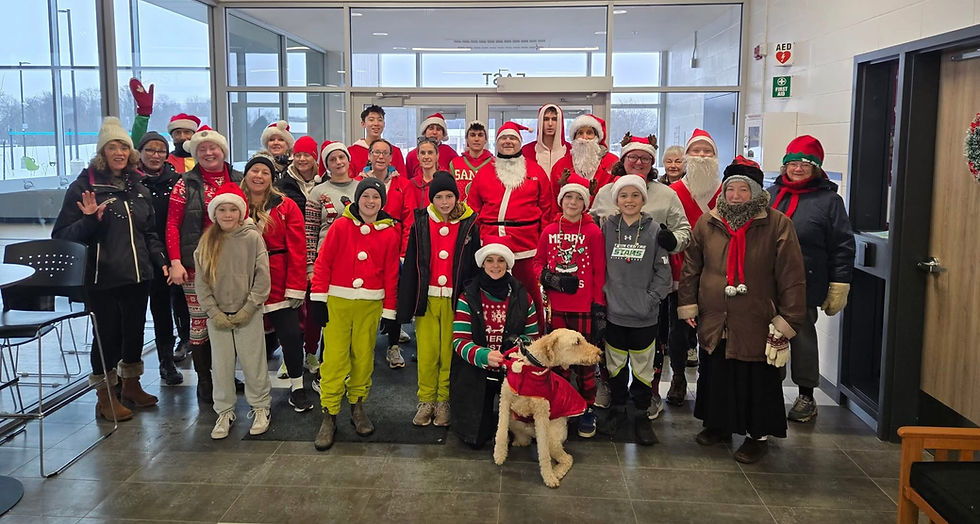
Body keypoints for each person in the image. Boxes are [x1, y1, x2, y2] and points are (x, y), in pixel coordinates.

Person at [679, 157, 806, 463]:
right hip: (716, 316)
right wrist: (688, 303)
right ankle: (719, 424)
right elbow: (692, 267)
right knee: (717, 371)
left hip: (757, 317)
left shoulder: (777, 224)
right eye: (730, 189)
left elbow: (791, 275)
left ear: (756, 192)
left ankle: (757, 436)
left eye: (743, 190)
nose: (735, 196)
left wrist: (788, 319)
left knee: (755, 378)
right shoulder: (708, 222)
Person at [52, 116, 168, 421]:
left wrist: (161, 261)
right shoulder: (84, 187)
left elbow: (149, 233)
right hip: (102, 277)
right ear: (102, 152)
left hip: (138, 274)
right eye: (112, 147)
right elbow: (62, 236)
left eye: (124, 147)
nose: (119, 153)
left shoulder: (137, 186)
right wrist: (90, 220)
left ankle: (131, 385)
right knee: (107, 335)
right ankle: (105, 396)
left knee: (134, 332)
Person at [592, 133, 692, 410]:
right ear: (623, 160)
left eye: (645, 158)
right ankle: (611, 389)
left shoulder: (667, 194)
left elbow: (684, 230)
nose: (638, 162)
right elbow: (592, 227)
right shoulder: (605, 192)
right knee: (610, 346)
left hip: (649, 285)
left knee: (651, 348)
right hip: (614, 287)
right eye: (633, 157)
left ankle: (650, 394)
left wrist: (672, 241)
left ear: (652, 162)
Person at [767, 136, 855, 423]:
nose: (798, 169)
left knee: (802, 336)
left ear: (816, 168)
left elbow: (842, 245)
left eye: (805, 164)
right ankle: (770, 388)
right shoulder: (770, 195)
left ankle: (806, 395)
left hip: (806, 281)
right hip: (768, 281)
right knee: (769, 334)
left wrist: (839, 283)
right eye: (793, 163)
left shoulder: (829, 201)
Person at [310, 178, 401, 451]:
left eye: (376, 197)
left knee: (363, 358)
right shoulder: (340, 226)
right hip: (338, 302)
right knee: (334, 359)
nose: (370, 201)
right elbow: (323, 262)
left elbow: (391, 274)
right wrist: (318, 298)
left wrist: (390, 311)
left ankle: (357, 406)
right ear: (358, 199)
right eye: (366, 196)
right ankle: (329, 413)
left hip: (369, 305)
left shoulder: (389, 233)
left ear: (382, 202)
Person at [166, 126, 243, 403]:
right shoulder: (185, 183)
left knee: (229, 321)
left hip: (233, 265)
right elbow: (172, 224)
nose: (209, 153)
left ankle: (225, 375)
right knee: (200, 323)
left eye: (213, 148)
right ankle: (205, 380)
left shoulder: (239, 179)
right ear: (195, 154)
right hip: (196, 266)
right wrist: (175, 262)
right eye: (202, 149)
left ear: (223, 150)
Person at [398, 171, 480, 427]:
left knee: (449, 352)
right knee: (427, 352)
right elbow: (412, 264)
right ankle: (426, 399)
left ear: (457, 197)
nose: (445, 202)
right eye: (439, 197)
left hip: (456, 300)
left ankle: (444, 400)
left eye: (449, 196)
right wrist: (407, 303)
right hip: (428, 298)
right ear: (431, 199)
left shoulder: (469, 223)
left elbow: (474, 265)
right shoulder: (421, 222)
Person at [193, 182, 272, 439]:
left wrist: (249, 307)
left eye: (233, 209)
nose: (228, 214)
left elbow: (262, 277)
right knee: (221, 365)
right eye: (222, 210)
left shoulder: (252, 238)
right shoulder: (206, 242)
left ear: (241, 212)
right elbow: (201, 282)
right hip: (218, 315)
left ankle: (260, 407)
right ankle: (224, 411)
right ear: (214, 213)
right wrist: (213, 312)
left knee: (253, 362)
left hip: (248, 313)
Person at [600, 174, 673, 445]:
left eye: (635, 195)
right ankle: (618, 409)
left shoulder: (655, 231)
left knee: (643, 369)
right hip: (614, 313)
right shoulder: (607, 228)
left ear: (643, 199)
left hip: (644, 316)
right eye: (623, 196)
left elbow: (663, 273)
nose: (629, 200)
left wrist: (650, 300)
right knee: (615, 366)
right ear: (616, 200)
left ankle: (641, 415)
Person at [532, 174, 606, 438]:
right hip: (556, 308)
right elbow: (537, 263)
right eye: (568, 197)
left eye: (578, 198)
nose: (573, 202)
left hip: (583, 308)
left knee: (585, 363)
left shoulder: (593, 232)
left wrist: (598, 307)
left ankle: (587, 407)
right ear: (561, 200)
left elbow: (599, 271)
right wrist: (550, 278)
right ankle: (561, 406)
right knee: (558, 362)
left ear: (585, 203)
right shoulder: (549, 231)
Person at [240, 154, 315, 413]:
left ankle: (297, 387)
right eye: (255, 171)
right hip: (245, 281)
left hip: (280, 280)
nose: (259, 176)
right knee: (252, 340)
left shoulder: (285, 205)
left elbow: (298, 247)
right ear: (246, 174)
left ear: (272, 178)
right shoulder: (235, 205)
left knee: (291, 336)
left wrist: (296, 286)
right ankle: (257, 391)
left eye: (265, 172)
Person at [467, 122, 555, 334]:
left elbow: (547, 208)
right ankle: (491, 333)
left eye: (513, 138)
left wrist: (543, 244)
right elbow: (473, 208)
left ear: (520, 143)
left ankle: (537, 335)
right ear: (497, 143)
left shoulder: (535, 170)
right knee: (490, 290)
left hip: (527, 244)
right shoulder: (485, 172)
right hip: (491, 241)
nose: (508, 142)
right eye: (503, 138)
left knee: (530, 291)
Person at [451, 237, 538, 448]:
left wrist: (515, 350)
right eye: (490, 260)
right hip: (476, 371)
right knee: (476, 437)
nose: (495, 265)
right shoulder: (467, 296)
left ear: (508, 264)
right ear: (482, 263)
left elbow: (532, 338)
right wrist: (483, 355)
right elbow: (459, 340)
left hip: (511, 371)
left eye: (501, 260)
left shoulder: (524, 297)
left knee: (519, 434)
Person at [667, 128, 723, 401]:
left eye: (707, 151)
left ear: (715, 156)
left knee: (713, 329)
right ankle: (678, 377)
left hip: (716, 273)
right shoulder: (674, 191)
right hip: (681, 272)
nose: (701, 155)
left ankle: (709, 380)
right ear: (687, 155)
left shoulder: (725, 192)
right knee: (679, 329)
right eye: (696, 150)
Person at [358, 138, 416, 365]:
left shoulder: (403, 184)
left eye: (385, 153)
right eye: (376, 152)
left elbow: (409, 220)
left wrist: (404, 252)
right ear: (369, 155)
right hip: (366, 247)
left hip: (393, 248)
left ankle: (393, 346)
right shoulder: (359, 182)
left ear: (391, 158)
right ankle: (363, 346)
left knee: (394, 296)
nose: (380, 157)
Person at [134, 130, 186, 385]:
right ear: (140, 153)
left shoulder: (177, 181)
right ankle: (129, 371)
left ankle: (167, 361)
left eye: (160, 151)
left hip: (168, 255)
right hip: (136, 254)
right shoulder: (130, 181)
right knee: (134, 314)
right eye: (150, 150)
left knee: (164, 309)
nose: (155, 155)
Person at [303, 140, 359, 374]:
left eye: (341, 157)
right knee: (326, 314)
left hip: (356, 261)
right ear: (326, 165)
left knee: (349, 315)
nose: (338, 162)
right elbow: (310, 231)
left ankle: (347, 364)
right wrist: (310, 266)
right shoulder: (318, 192)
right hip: (326, 261)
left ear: (348, 160)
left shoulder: (361, 187)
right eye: (332, 159)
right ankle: (323, 364)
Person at [126, 78, 199, 174]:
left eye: (187, 132)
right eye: (177, 133)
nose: (182, 137)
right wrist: (143, 114)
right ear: (172, 136)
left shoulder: (204, 160)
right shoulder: (163, 162)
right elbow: (137, 148)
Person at [549, 113, 618, 202]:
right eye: (580, 133)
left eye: (589, 133)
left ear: (597, 137)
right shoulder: (560, 166)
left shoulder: (612, 163)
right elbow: (554, 198)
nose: (584, 137)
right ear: (574, 138)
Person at [347, 105, 407, 177]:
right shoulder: (351, 152)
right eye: (371, 120)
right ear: (363, 124)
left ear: (384, 124)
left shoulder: (395, 151)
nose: (376, 124)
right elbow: (349, 179)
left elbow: (403, 179)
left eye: (380, 120)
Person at [449, 121, 493, 200]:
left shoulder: (495, 164)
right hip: (460, 207)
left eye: (480, 135)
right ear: (467, 139)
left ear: (486, 139)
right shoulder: (455, 164)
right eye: (472, 135)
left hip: (485, 208)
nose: (476, 139)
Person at [406, 112, 459, 177]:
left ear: (443, 134)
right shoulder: (411, 155)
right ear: (424, 132)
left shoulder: (450, 153)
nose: (434, 132)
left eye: (438, 129)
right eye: (431, 128)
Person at [521, 103, 569, 174]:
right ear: (540, 122)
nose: (550, 124)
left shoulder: (570, 151)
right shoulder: (526, 151)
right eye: (546, 119)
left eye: (554, 119)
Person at [406, 137, 440, 209]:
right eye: (423, 153)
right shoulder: (411, 184)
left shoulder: (445, 181)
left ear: (437, 156)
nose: (426, 157)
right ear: (418, 157)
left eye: (430, 153)